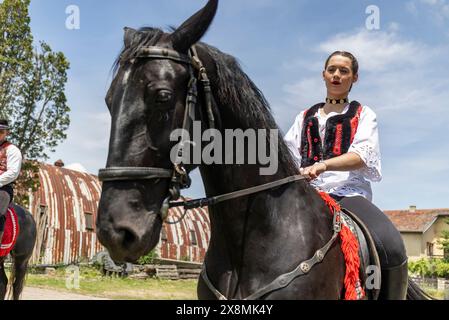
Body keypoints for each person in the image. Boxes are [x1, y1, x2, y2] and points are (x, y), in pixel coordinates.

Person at [284, 51, 408, 299]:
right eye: (332, 70)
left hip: (347, 194)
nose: (337, 75)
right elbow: (288, 155)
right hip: (306, 195)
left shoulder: (364, 113)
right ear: (323, 75)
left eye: (344, 71)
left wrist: (323, 165)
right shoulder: (303, 116)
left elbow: (363, 155)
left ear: (355, 78)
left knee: (391, 243)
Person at [0, 119, 22, 244]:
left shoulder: (13, 150)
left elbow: (13, 172)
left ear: (6, 133)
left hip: (3, 187)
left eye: (1, 132)